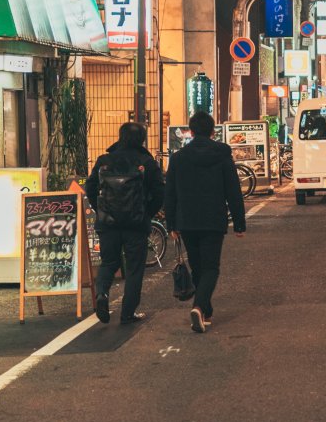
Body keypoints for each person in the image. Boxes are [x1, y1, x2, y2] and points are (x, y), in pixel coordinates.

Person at [163, 110, 246, 333]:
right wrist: (239, 223)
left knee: (198, 266)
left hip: (186, 220)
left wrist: (171, 223)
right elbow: (233, 191)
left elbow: (169, 193)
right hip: (212, 219)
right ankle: (199, 306)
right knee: (210, 267)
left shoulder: (178, 158)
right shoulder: (221, 156)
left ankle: (205, 311)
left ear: (190, 132)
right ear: (213, 132)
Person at [85, 121, 164, 326]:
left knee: (109, 263)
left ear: (120, 137)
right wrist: (147, 213)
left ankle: (102, 294)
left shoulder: (105, 160)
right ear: (142, 139)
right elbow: (159, 192)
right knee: (134, 268)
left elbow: (90, 188)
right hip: (136, 224)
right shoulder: (146, 161)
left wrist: (100, 209)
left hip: (108, 223)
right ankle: (127, 313)